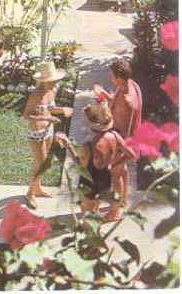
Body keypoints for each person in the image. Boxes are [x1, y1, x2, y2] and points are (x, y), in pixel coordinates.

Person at [23, 61, 73, 209]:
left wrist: (63, 110)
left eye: (55, 81)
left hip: (48, 131)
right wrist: (47, 118)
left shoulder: (51, 91)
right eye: (52, 81)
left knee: (42, 163)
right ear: (44, 81)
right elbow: (26, 116)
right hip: (36, 132)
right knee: (42, 163)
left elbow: (50, 108)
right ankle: (30, 193)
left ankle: (37, 189)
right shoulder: (35, 95)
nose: (54, 83)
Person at [78, 100, 137, 221]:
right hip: (108, 173)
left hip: (95, 177)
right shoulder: (115, 135)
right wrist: (115, 164)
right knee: (113, 189)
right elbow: (132, 155)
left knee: (88, 204)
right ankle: (114, 213)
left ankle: (93, 216)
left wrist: (68, 146)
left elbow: (83, 164)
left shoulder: (92, 144)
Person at [93, 58, 142, 140]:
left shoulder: (125, 101)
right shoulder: (130, 83)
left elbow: (117, 129)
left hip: (123, 140)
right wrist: (104, 94)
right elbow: (115, 101)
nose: (110, 78)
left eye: (112, 76)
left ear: (119, 78)